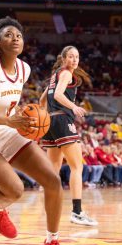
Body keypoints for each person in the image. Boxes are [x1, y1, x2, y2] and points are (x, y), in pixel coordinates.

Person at [0, 17, 71, 245]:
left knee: (53, 180)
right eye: (9, 35)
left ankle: (52, 242)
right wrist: (6, 120)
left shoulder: (24, 68)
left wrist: (21, 116)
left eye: (19, 36)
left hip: (9, 132)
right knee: (15, 190)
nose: (15, 39)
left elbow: (7, 105)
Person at [40, 46, 98, 226]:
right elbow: (57, 95)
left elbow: (43, 100)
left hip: (49, 122)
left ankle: (50, 208)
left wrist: (42, 117)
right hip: (63, 121)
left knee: (53, 170)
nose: (74, 60)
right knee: (76, 167)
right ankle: (77, 212)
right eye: (71, 57)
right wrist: (73, 107)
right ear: (63, 58)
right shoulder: (66, 74)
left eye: (77, 57)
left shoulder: (55, 75)